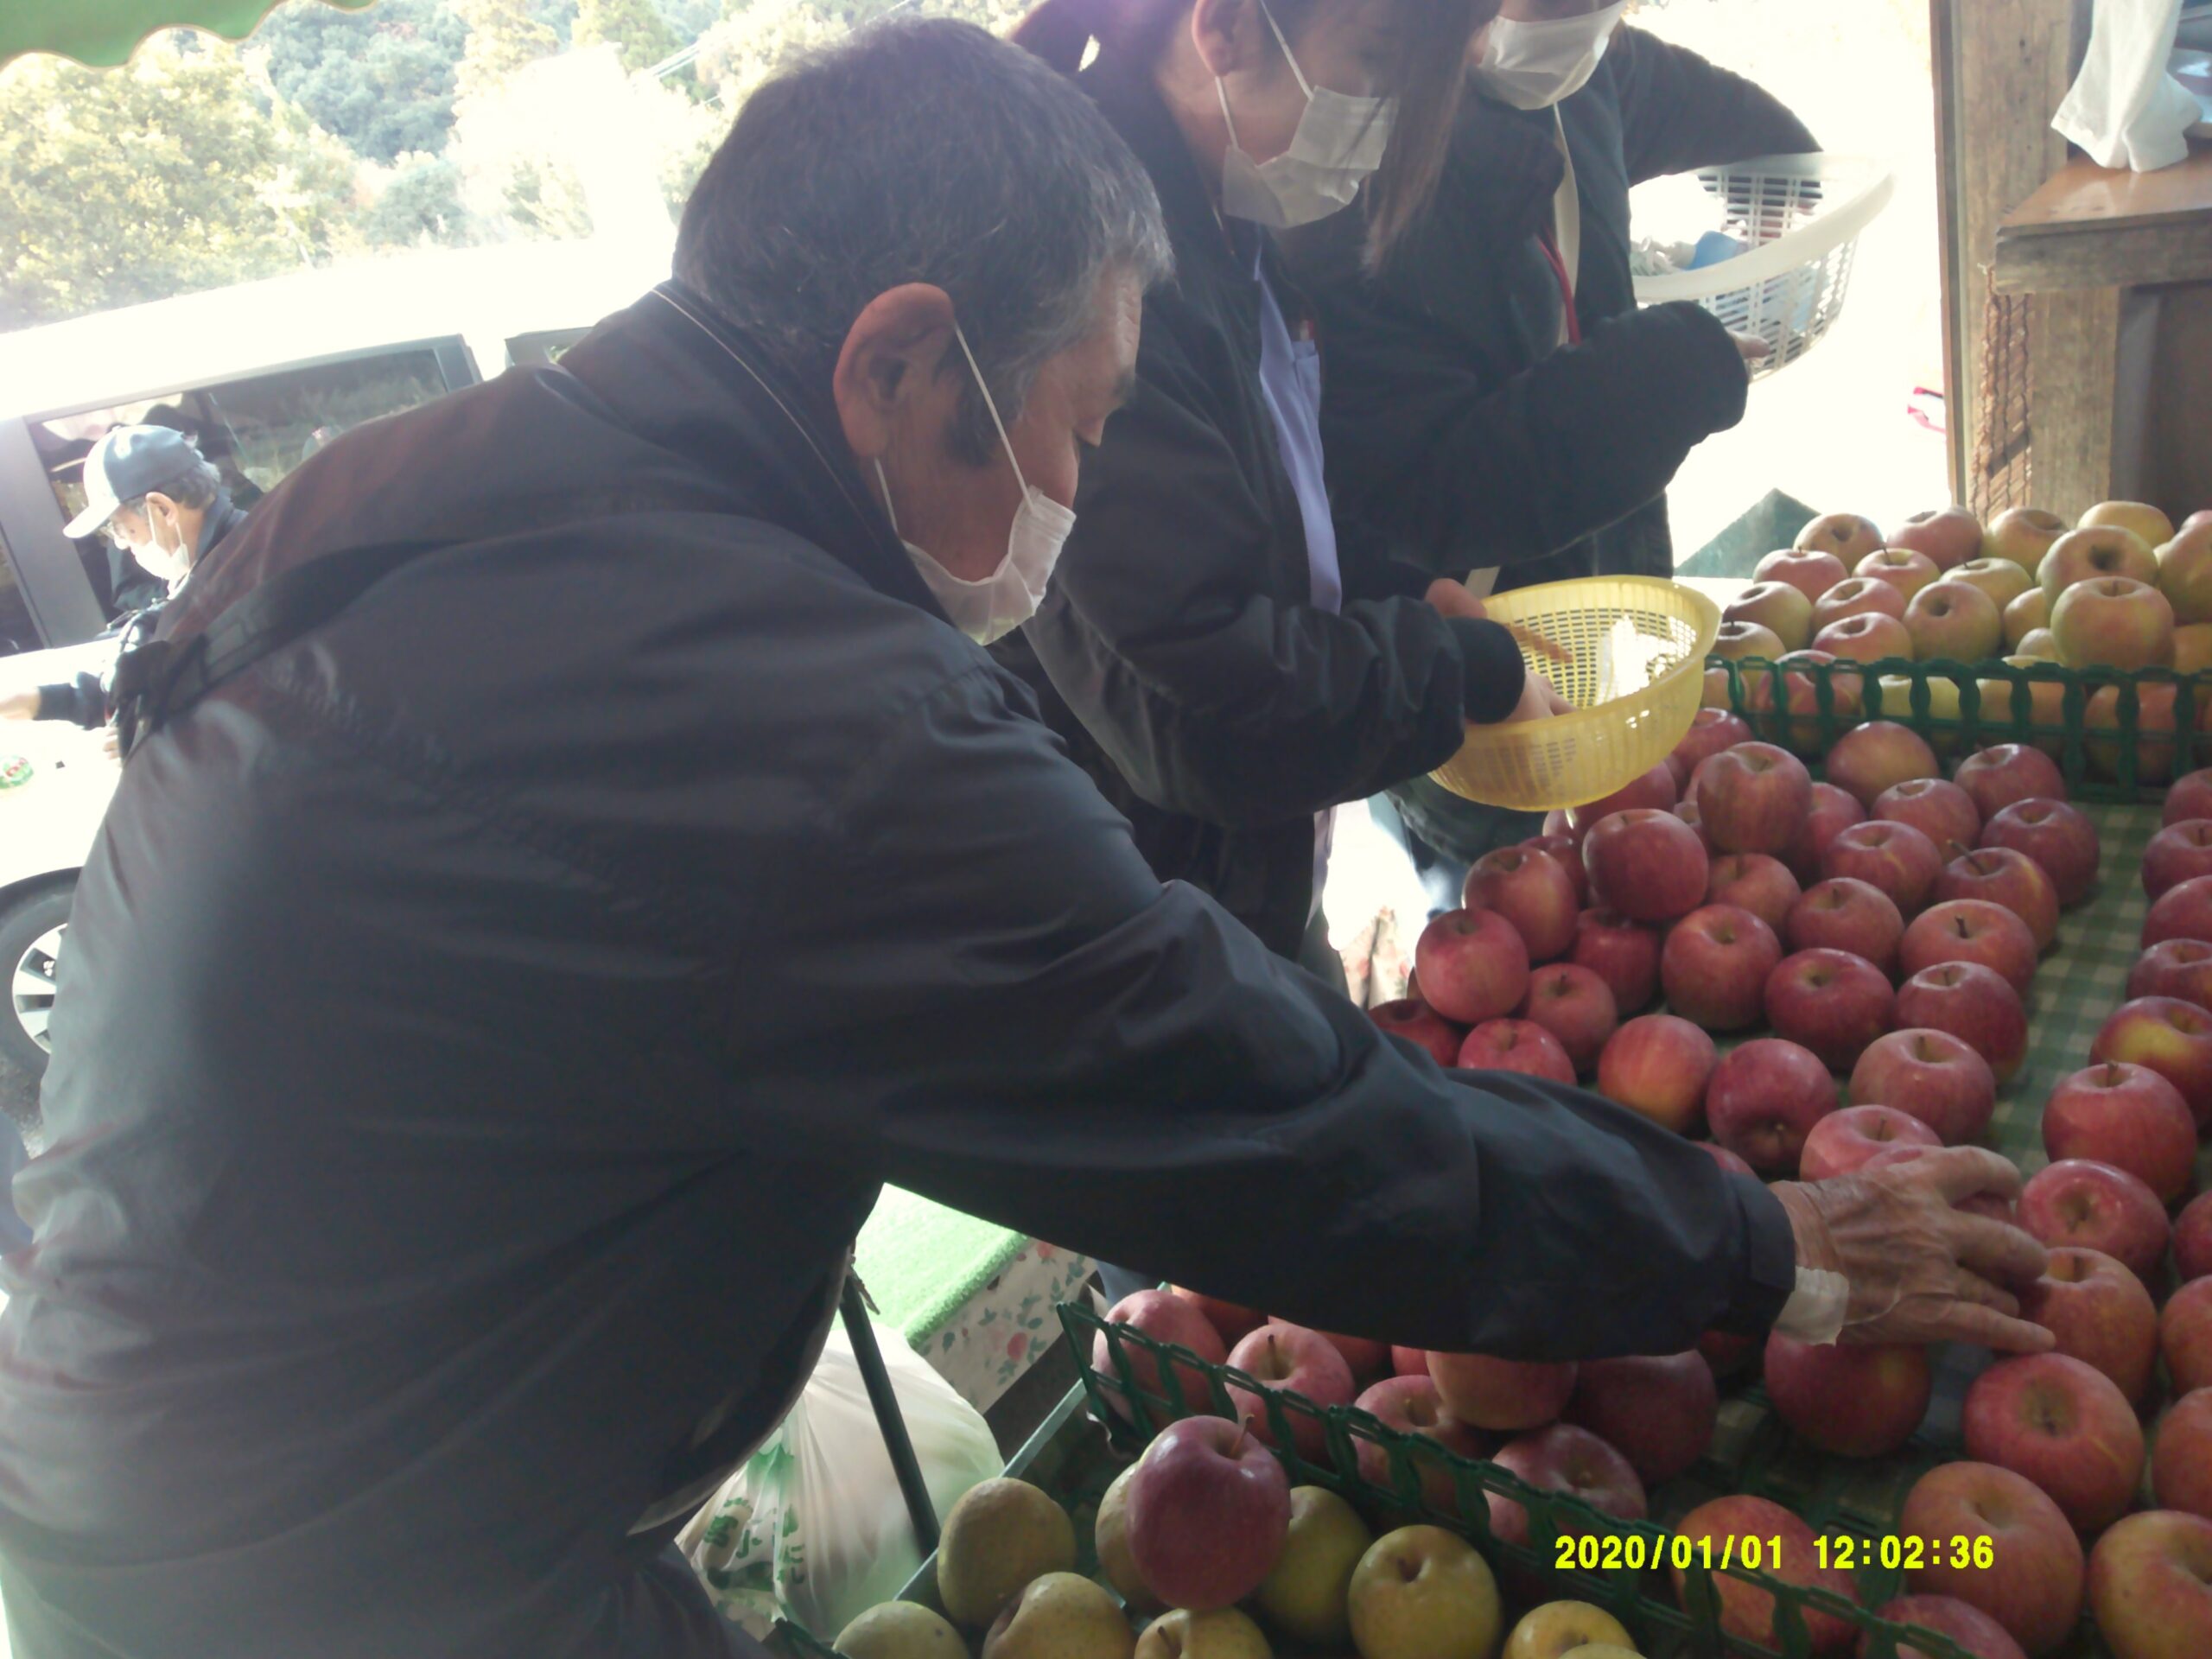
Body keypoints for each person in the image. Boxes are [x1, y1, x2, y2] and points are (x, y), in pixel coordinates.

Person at [0, 22, 2047, 1659]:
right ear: (893, 365)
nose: (1072, 498)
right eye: (1075, 424)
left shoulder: (431, 480)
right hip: (337, 1572)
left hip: (167, 1458)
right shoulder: (792, 721)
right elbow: (1273, 1127)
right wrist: (1747, 1247)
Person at [997, 0, 1563, 981]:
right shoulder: (1088, 268)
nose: (1386, 122)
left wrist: (1393, 588)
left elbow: (1253, 498)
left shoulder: (1219, 213)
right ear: (1223, 30)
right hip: (1139, 916)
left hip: (1237, 879)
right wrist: (1458, 668)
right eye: (1374, 61)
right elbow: (1196, 681)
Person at [1283, 0, 1817, 897]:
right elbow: (1423, 501)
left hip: (1608, 594)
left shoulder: (1589, 69)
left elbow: (1768, 140)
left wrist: (1760, 236)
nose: (1573, 22)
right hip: (1472, 654)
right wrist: (1672, 370)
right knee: (1497, 904)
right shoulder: (1361, 150)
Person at [1, 427, 245, 734]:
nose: (120, 544)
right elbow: (143, 669)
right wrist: (39, 700)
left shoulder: (234, 581)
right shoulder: (219, 564)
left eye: (120, 528)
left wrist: (154, 740)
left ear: (163, 509)